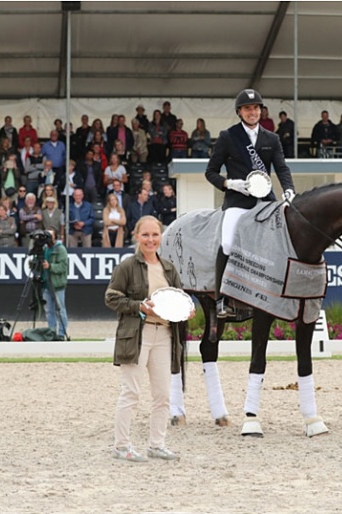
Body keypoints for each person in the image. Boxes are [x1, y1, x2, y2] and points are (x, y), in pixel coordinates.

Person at [104, 215, 189, 462]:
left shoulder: (169, 268)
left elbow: (179, 299)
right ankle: (121, 446)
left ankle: (157, 444)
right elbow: (111, 297)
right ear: (137, 237)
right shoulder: (127, 266)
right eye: (146, 235)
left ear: (160, 237)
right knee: (131, 392)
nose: (151, 240)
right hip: (137, 334)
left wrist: (187, 311)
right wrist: (139, 306)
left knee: (163, 395)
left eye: (155, 235)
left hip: (164, 335)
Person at [205, 88, 294, 317]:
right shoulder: (228, 136)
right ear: (240, 112)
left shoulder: (271, 138)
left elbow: (281, 168)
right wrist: (229, 184)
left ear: (261, 111)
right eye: (247, 108)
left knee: (284, 240)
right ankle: (221, 300)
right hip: (237, 200)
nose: (252, 112)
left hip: (265, 199)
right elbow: (210, 171)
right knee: (227, 243)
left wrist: (289, 190)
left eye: (255, 108)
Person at [40, 229, 69, 340]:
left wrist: (50, 266)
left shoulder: (60, 249)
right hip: (46, 283)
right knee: (49, 310)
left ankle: (61, 333)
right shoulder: (43, 249)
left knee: (60, 309)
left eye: (49, 236)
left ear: (55, 237)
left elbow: (63, 267)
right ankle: (51, 331)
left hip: (57, 284)